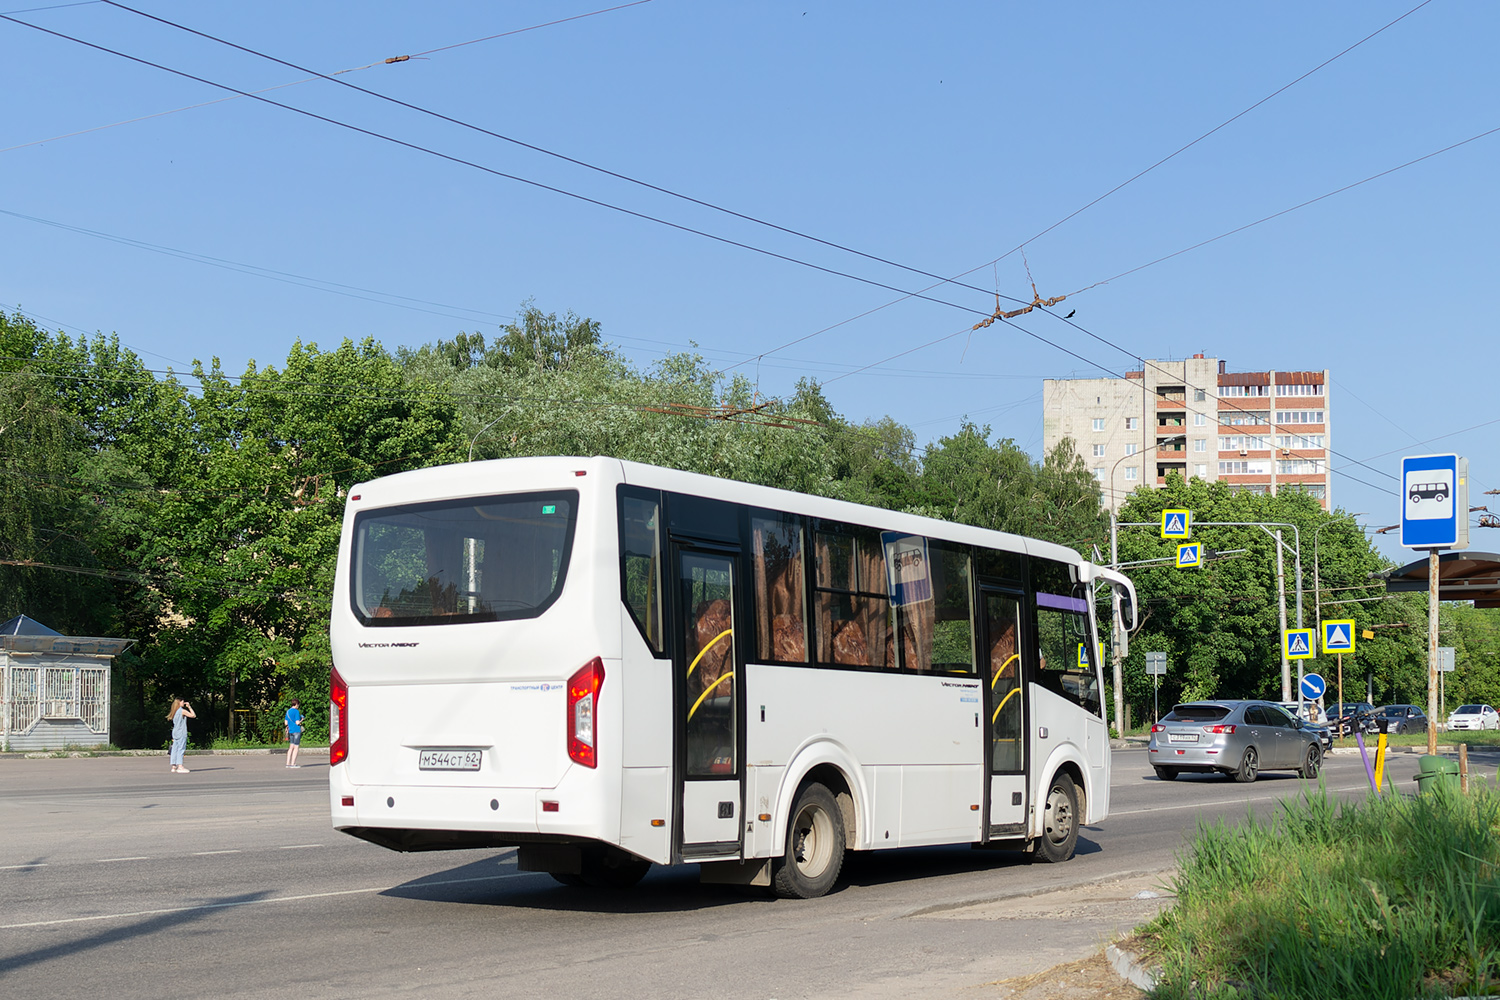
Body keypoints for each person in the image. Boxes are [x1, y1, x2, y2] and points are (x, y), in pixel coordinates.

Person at [166, 697, 195, 773]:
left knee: (174, 749)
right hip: (181, 732)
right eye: (183, 702)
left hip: (175, 732)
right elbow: (193, 715)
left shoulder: (174, 711)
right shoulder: (182, 711)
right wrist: (189, 707)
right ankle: (180, 766)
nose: (183, 703)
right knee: (181, 749)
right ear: (180, 702)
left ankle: (173, 766)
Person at [284, 699, 303, 768]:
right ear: (297, 704)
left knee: (291, 747)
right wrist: (302, 720)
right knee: (296, 747)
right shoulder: (296, 712)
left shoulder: (288, 711)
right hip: (296, 730)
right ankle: (293, 763)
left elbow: (286, 722)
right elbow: (297, 722)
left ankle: (287, 763)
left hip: (290, 731)